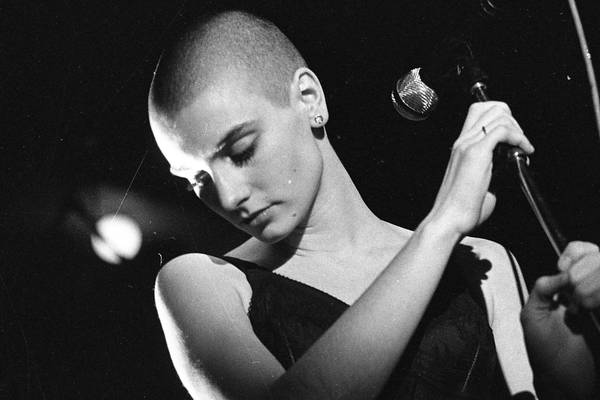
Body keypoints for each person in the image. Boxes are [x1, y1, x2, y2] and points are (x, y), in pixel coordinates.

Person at [147, 10, 600, 400]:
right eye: (197, 180)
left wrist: (571, 369)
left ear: (309, 99)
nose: (229, 197)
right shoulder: (200, 282)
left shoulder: (482, 263)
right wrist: (441, 225)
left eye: (242, 150)